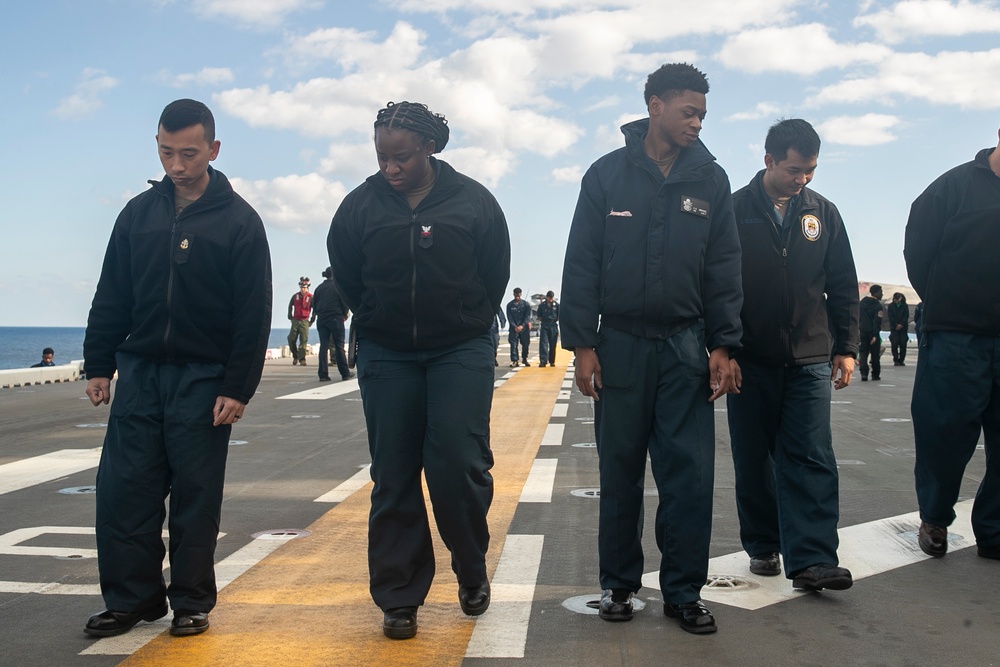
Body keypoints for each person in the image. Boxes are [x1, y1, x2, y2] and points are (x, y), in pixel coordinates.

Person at [560, 63, 742, 635]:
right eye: (689, 112)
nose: (697, 124)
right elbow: (582, 261)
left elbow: (724, 268)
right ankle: (618, 585)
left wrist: (725, 343)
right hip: (619, 346)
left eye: (703, 115)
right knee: (619, 472)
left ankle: (684, 592)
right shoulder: (607, 175)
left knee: (688, 476)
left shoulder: (711, 180)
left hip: (686, 346)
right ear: (654, 105)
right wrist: (582, 344)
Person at [82, 99, 272, 638]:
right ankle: (131, 600)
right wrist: (99, 363)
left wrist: (238, 386)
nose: (177, 165)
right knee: (123, 493)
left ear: (213, 149)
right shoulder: (137, 215)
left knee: (194, 498)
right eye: (166, 152)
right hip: (139, 374)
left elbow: (253, 312)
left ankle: (191, 600)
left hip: (203, 379)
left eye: (189, 153)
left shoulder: (240, 221)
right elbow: (111, 292)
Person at [328, 101, 511, 639]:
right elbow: (348, 273)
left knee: (458, 461)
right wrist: (379, 319)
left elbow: (494, 270)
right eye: (383, 157)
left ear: (430, 147)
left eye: (401, 157)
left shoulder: (474, 201)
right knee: (394, 472)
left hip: (460, 348)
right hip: (388, 353)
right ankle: (399, 597)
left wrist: (469, 318)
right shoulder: (358, 207)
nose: (391, 168)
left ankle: (471, 564)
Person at [727, 119, 859, 592]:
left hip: (809, 357)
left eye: (810, 170)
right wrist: (722, 348)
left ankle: (813, 559)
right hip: (750, 358)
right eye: (793, 169)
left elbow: (843, 283)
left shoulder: (823, 214)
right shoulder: (734, 210)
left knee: (811, 455)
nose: (802, 179)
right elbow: (716, 285)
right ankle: (763, 544)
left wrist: (846, 348)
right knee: (753, 457)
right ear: (768, 160)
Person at [904, 128, 1000, 562]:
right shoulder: (954, 186)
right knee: (944, 432)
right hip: (957, 335)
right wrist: (945, 300)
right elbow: (918, 250)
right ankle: (935, 516)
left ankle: (995, 530)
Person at [313, 266, 352, 381]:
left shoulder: (319, 288)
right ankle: (345, 373)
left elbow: (314, 305)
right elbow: (344, 303)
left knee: (323, 346)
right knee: (339, 346)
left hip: (322, 319)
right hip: (335, 318)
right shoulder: (337, 287)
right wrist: (344, 314)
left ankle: (323, 374)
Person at [858, 284, 883, 381]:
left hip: (863, 331)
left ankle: (864, 373)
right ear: (876, 292)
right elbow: (877, 321)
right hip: (872, 333)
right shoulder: (877, 305)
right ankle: (875, 374)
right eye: (881, 292)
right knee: (875, 354)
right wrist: (875, 335)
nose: (882, 294)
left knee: (863, 353)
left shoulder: (862, 302)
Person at [287, 277, 314, 366]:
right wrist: (290, 316)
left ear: (307, 287)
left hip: (304, 321)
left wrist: (312, 320)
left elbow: (315, 309)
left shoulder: (310, 297)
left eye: (304, 287)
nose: (303, 289)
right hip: (295, 320)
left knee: (303, 341)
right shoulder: (295, 296)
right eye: (302, 287)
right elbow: (290, 305)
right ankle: (296, 356)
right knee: (291, 339)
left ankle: (302, 359)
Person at [506, 287, 531, 367]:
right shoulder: (510, 305)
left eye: (519, 295)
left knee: (525, 344)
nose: (517, 297)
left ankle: (524, 358)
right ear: (514, 294)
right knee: (513, 344)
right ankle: (514, 360)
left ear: (521, 295)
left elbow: (527, 317)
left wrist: (522, 326)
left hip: (524, 328)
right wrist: (515, 326)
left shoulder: (526, 304)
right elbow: (509, 317)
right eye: (516, 295)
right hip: (514, 329)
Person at [537, 291, 560, 367]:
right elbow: (539, 316)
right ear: (546, 297)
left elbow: (559, 315)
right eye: (549, 298)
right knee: (543, 344)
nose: (550, 299)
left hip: (553, 325)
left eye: (551, 298)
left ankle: (552, 361)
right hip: (545, 325)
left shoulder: (556, 305)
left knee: (553, 344)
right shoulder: (542, 306)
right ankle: (543, 361)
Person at [887, 292, 910, 366]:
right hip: (894, 329)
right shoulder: (891, 306)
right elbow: (890, 317)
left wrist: (901, 324)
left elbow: (906, 316)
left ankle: (901, 360)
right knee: (894, 345)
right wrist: (896, 325)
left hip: (903, 329)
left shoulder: (904, 306)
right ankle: (896, 360)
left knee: (903, 345)